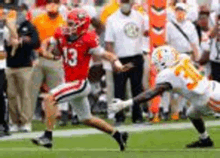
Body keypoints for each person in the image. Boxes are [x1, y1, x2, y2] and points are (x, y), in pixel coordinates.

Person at [31, 8, 131, 151]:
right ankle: (118, 135)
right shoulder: (62, 33)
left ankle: (48, 136)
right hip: (71, 83)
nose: (68, 27)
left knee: (49, 98)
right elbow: (48, 42)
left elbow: (107, 54)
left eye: (72, 24)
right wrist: (47, 50)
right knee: (87, 119)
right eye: (68, 23)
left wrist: (118, 64)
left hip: (79, 84)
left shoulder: (88, 39)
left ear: (82, 26)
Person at [110, 45, 220, 148]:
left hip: (210, 99)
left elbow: (151, 93)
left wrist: (126, 103)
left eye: (157, 63)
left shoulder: (168, 74)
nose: (156, 66)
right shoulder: (183, 58)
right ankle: (205, 139)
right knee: (191, 113)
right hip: (211, 89)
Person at [105, 0, 147, 125]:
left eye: (128, 1)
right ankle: (119, 117)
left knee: (137, 88)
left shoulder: (139, 17)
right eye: (124, 1)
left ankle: (138, 116)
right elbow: (108, 42)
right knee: (119, 89)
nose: (126, 4)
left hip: (136, 56)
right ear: (119, 3)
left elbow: (143, 35)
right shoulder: (112, 19)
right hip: (120, 58)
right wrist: (114, 60)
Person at [4, 4, 39, 132]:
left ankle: (26, 122)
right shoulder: (5, 26)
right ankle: (14, 121)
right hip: (9, 65)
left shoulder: (28, 26)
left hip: (25, 65)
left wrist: (22, 40)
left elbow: (36, 42)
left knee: (25, 95)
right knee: (12, 95)